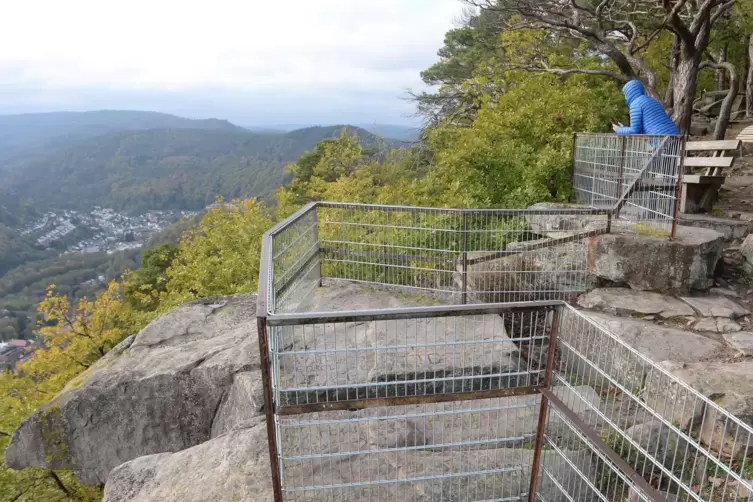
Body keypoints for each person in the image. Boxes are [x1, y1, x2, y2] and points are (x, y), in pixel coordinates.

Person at [613, 80, 680, 135]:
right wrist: (624, 128)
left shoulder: (635, 104)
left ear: (629, 93)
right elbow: (644, 127)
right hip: (675, 137)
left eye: (625, 94)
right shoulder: (651, 100)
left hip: (662, 140)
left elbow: (635, 130)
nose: (625, 97)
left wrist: (619, 130)